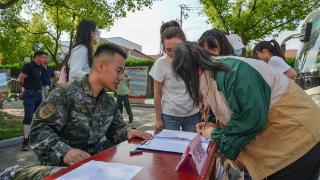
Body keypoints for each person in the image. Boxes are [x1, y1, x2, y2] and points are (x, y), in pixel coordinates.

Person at [0, 43, 153, 180]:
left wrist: (127, 132)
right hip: (61, 167)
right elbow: (38, 130)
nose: (121, 77)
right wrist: (66, 152)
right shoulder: (65, 93)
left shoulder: (109, 103)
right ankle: (11, 174)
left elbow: (116, 130)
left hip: (94, 167)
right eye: (118, 71)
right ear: (100, 66)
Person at [172, 41, 320, 180]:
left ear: (189, 69)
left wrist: (215, 134)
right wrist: (215, 125)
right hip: (282, 144)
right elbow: (236, 111)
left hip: (295, 142)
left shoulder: (232, 71)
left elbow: (251, 117)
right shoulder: (216, 70)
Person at [149, 20, 200, 133]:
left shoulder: (194, 60)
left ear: (184, 43)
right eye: (168, 50)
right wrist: (158, 119)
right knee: (170, 148)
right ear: (163, 48)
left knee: (191, 147)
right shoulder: (161, 63)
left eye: (177, 48)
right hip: (170, 115)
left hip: (193, 113)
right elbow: (157, 93)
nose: (174, 53)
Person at [18, 51, 48, 151]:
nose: (45, 60)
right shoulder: (29, 65)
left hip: (38, 94)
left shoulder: (39, 67)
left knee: (38, 117)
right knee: (28, 116)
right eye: (43, 57)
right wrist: (25, 89)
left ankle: (34, 139)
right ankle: (25, 141)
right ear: (37, 57)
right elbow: (21, 79)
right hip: (30, 94)